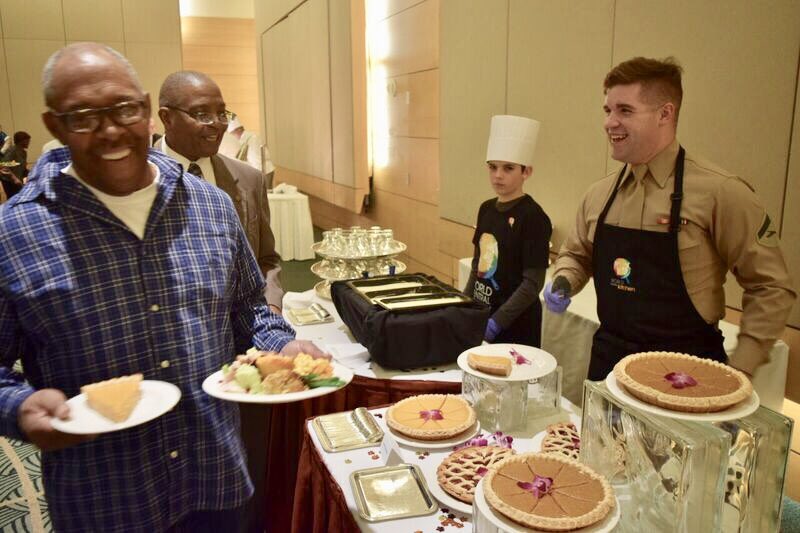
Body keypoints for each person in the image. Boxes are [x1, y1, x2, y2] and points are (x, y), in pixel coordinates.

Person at [0, 43, 326, 533]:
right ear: (55, 125)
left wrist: (283, 343)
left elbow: (247, 311)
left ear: (148, 109)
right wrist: (19, 407)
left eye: (125, 109)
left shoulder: (212, 207)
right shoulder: (16, 232)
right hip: (105, 498)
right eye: (84, 116)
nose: (111, 129)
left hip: (215, 475)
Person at [544, 56, 796, 381]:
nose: (609, 123)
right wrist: (564, 279)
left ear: (666, 113)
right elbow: (577, 255)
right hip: (610, 368)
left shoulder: (720, 192)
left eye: (625, 110)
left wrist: (740, 369)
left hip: (687, 375)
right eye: (608, 110)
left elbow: (771, 285)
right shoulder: (599, 194)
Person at [155, 70, 283, 533]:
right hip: (177, 352)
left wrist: (270, 310)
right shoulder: (142, 180)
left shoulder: (246, 179)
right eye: (200, 114)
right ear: (165, 117)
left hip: (246, 351)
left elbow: (267, 258)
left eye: (220, 113)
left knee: (241, 467)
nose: (215, 124)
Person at [465, 115, 552, 347]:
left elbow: (532, 284)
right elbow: (478, 265)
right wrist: (465, 304)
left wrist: (496, 323)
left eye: (508, 168)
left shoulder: (534, 217)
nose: (498, 175)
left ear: (526, 172)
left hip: (516, 325)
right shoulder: (486, 209)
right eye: (493, 167)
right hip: (483, 313)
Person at [219, 114, 276, 180]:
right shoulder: (241, 140)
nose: (232, 137)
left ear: (237, 130)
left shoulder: (252, 138)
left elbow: (257, 161)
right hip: (256, 172)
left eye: (232, 134)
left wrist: (257, 178)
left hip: (264, 172)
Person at [0, 131, 31, 198]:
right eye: (27, 141)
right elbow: (3, 165)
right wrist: (14, 178)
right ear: (22, 141)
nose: (29, 142)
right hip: (9, 181)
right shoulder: (12, 151)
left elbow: (22, 169)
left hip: (18, 180)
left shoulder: (23, 153)